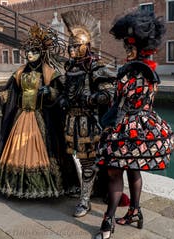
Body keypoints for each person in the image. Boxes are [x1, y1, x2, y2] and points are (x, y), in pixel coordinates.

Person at [94, 9, 174, 239]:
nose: (127, 52)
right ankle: (135, 211)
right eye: (126, 48)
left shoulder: (136, 74)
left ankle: (108, 222)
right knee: (132, 168)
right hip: (140, 125)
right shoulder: (146, 72)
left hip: (129, 126)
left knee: (114, 171)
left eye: (130, 48)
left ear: (139, 49)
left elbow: (123, 101)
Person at [0, 24, 67, 198]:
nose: (29, 54)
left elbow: (61, 93)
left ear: (42, 52)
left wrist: (50, 92)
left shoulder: (49, 72)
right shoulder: (20, 71)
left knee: (43, 149)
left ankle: (45, 186)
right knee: (15, 149)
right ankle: (15, 186)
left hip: (41, 116)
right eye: (28, 51)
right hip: (21, 116)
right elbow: (10, 91)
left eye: (33, 51)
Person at [60, 10, 116, 217]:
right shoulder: (70, 67)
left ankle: (85, 201)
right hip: (71, 121)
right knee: (80, 160)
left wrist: (91, 99)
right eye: (70, 46)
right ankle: (88, 191)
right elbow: (66, 90)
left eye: (76, 46)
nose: (71, 49)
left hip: (89, 122)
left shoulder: (95, 66)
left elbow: (109, 92)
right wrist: (63, 98)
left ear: (85, 46)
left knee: (88, 162)